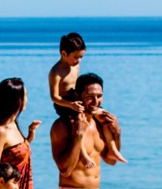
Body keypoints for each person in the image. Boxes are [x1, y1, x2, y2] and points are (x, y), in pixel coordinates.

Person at [49, 31, 124, 161]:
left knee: (104, 117)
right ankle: (83, 154)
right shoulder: (56, 72)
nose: (79, 60)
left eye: (81, 57)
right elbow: (54, 97)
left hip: (76, 99)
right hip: (64, 104)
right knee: (78, 123)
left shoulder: (75, 65)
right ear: (64, 53)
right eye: (76, 57)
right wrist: (71, 105)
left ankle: (112, 149)